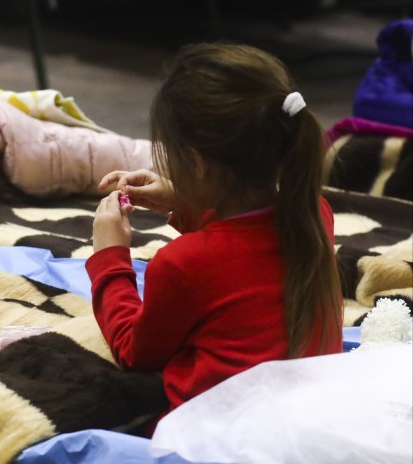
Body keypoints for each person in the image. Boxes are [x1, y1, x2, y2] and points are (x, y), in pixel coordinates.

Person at [87, 42, 343, 433]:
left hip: (220, 439)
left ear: (196, 163)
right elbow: (242, 250)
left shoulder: (181, 264)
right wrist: (183, 197)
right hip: (310, 423)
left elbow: (135, 352)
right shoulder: (314, 215)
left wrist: (110, 255)